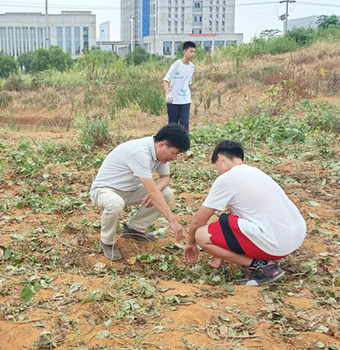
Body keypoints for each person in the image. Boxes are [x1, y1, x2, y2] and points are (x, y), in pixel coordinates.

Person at [184, 140, 306, 286]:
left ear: (220, 158)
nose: (218, 170)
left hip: (275, 244)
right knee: (227, 222)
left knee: (201, 234)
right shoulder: (256, 172)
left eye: (216, 164)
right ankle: (263, 261)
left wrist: (191, 242)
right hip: (295, 237)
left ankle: (262, 266)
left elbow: (199, 220)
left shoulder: (227, 179)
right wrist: (222, 252)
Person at [90, 124, 190, 261]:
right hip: (104, 190)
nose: (174, 158)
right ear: (161, 145)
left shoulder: (160, 154)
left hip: (129, 191)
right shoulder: (140, 152)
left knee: (165, 193)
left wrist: (156, 190)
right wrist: (172, 221)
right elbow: (153, 191)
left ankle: (134, 228)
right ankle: (107, 241)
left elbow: (165, 178)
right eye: (174, 153)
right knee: (115, 203)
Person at [163, 41, 196, 132]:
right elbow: (166, 80)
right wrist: (167, 94)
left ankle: (183, 144)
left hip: (185, 100)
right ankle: (171, 143)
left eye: (194, 52)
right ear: (184, 51)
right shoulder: (177, 65)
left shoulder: (192, 67)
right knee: (173, 124)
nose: (193, 54)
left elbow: (189, 83)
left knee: (184, 124)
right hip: (173, 99)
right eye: (191, 51)